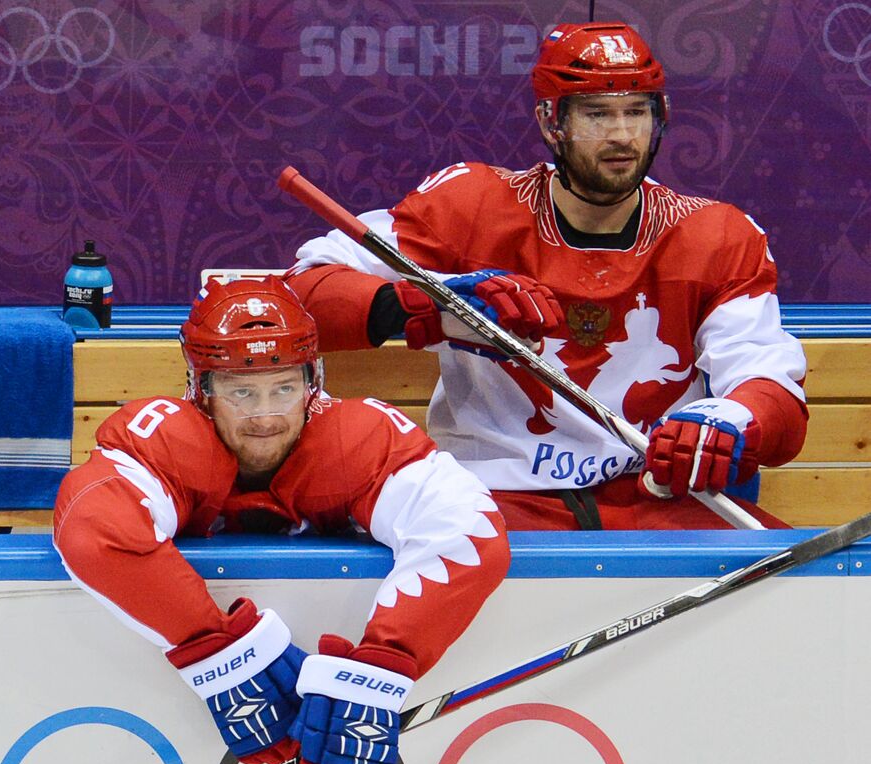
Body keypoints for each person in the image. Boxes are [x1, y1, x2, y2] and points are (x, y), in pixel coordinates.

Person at [286, 22, 808, 530]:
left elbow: (771, 388)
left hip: (654, 499)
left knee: (802, 596)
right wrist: (430, 307)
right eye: (597, 115)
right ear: (549, 121)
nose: (623, 134)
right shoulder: (469, 207)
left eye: (637, 112)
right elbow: (301, 295)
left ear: (662, 117)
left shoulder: (715, 235)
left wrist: (732, 421)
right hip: (496, 499)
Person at [53, 276, 508, 764]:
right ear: (200, 388)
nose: (266, 417)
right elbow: (92, 527)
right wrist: (219, 655)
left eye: (284, 388)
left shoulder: (354, 438)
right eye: (241, 392)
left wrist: (382, 670)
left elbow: (469, 531)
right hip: (149, 726)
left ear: (314, 380)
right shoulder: (165, 438)